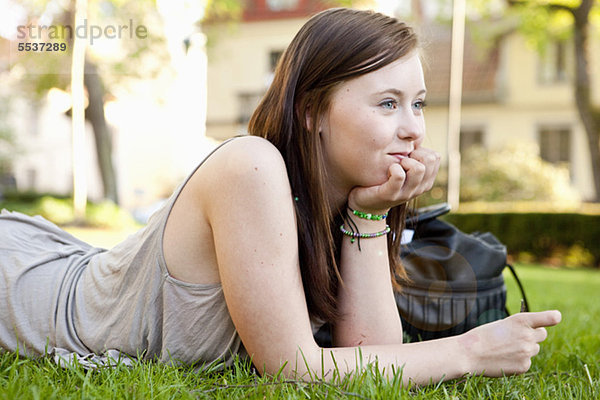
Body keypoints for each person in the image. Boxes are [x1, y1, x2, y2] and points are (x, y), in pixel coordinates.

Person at [0, 7, 560, 386]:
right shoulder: (253, 164)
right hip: (21, 285)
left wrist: (370, 213)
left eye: (417, 104)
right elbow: (294, 367)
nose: (413, 128)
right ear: (312, 111)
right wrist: (468, 352)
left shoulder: (346, 201)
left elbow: (365, 351)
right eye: (387, 104)